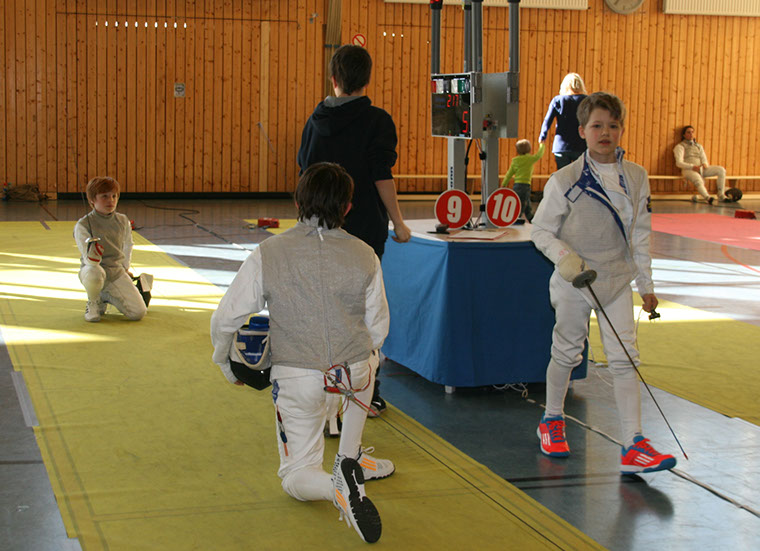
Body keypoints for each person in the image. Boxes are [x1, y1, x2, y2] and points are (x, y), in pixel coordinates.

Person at [210, 163, 394, 543]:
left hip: (298, 378)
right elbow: (378, 328)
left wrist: (227, 365)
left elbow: (226, 318)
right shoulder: (365, 253)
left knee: (295, 476)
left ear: (297, 202)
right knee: (370, 359)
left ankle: (338, 484)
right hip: (355, 375)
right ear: (347, 207)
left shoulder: (269, 252)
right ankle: (349, 459)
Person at [530, 92, 676, 475]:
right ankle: (552, 419)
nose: (605, 132)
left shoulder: (637, 177)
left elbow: (640, 234)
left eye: (613, 125)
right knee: (567, 352)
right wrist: (565, 257)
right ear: (582, 131)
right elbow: (540, 230)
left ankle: (634, 444)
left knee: (626, 359)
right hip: (574, 281)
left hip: (615, 279)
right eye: (597, 125)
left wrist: (646, 284)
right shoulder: (565, 179)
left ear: (621, 129)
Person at [298, 44, 411, 416]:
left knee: (322, 306)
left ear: (333, 78)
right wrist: (398, 221)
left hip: (319, 229)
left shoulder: (314, 122)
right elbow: (381, 175)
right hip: (363, 231)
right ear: (367, 80)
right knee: (364, 312)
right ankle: (366, 391)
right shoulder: (377, 121)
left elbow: (305, 178)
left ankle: (321, 386)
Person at [74, 176, 147, 323]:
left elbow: (127, 245)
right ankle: (93, 301)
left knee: (138, 313)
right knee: (95, 271)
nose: (111, 200)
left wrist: (125, 268)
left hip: (116, 272)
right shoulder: (83, 225)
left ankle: (105, 296)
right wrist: (93, 253)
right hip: (93, 271)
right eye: (105, 196)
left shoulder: (123, 220)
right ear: (92, 200)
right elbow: (88, 258)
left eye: (114, 196)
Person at [539, 73, 588, 170]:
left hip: (561, 146)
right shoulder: (587, 101)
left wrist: (543, 135)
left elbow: (547, 120)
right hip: (581, 145)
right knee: (580, 175)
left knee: (563, 175)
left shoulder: (558, 100)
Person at [673, 125, 727, 204]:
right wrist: (692, 167)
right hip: (688, 170)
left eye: (692, 132)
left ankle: (721, 195)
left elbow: (703, 158)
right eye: (688, 132)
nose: (691, 134)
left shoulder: (699, 146)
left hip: (701, 169)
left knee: (721, 170)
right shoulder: (680, 146)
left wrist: (705, 164)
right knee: (698, 179)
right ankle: (707, 197)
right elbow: (679, 163)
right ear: (684, 135)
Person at [500, 138, 545, 221]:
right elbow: (539, 155)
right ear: (529, 149)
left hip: (517, 185)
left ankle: (529, 216)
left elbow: (509, 174)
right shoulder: (530, 159)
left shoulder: (515, 161)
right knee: (523, 202)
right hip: (526, 185)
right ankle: (517, 217)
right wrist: (542, 145)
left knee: (522, 201)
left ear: (517, 151)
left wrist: (504, 184)